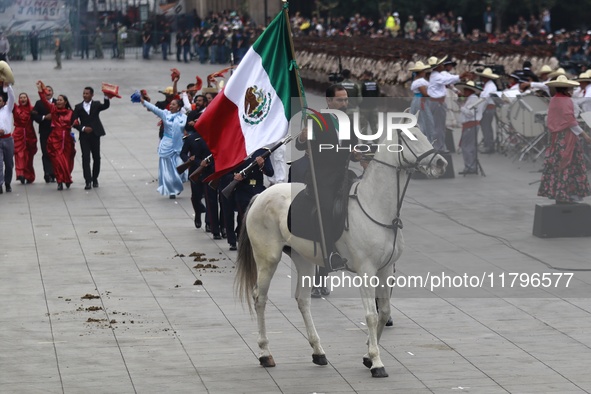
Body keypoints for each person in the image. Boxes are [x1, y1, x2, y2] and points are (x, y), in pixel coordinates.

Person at [295, 84, 356, 271]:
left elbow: (353, 146)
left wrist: (360, 155)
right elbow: (299, 146)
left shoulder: (348, 120)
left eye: (346, 99)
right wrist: (303, 138)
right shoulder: (317, 120)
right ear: (329, 101)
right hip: (322, 174)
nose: (344, 103)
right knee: (327, 207)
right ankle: (329, 253)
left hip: (343, 173)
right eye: (340, 100)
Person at [538, 76, 591, 203]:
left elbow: (550, 119)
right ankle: (569, 193)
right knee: (571, 163)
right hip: (568, 137)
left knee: (557, 164)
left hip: (556, 138)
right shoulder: (568, 101)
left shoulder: (553, 100)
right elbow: (571, 122)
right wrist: (585, 135)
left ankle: (558, 192)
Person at [140, 95, 186, 198]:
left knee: (180, 166)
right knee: (168, 170)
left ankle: (177, 184)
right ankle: (171, 190)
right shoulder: (165, 114)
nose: (171, 106)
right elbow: (154, 109)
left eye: (174, 104)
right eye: (171, 104)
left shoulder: (184, 117)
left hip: (179, 146)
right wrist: (143, 102)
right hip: (167, 145)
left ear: (178, 107)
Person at [36, 81, 76, 190]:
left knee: (67, 160)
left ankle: (67, 178)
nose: (58, 101)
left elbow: (76, 123)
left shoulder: (70, 113)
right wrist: (40, 90)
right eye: (57, 100)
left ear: (65, 102)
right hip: (55, 139)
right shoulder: (53, 110)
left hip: (67, 139)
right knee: (58, 160)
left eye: (60, 100)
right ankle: (60, 180)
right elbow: (44, 101)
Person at [427, 55, 470, 152]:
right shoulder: (436, 76)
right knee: (439, 127)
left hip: (439, 102)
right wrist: (460, 76)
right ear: (437, 66)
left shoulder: (437, 74)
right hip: (437, 103)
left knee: (440, 126)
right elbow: (447, 80)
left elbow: (449, 79)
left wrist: (458, 79)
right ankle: (439, 147)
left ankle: (439, 145)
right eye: (441, 64)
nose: (443, 65)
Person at [72, 87, 111, 190]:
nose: (85, 95)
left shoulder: (96, 104)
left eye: (87, 93)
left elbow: (106, 105)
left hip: (95, 134)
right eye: (84, 93)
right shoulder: (78, 107)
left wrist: (106, 95)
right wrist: (83, 128)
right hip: (84, 136)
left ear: (92, 95)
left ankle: (95, 178)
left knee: (96, 157)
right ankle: (87, 181)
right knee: (85, 158)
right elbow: (74, 122)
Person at [456, 81, 484, 175]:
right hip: (471, 124)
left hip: (470, 124)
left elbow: (470, 113)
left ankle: (470, 166)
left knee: (467, 147)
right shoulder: (472, 98)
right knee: (470, 146)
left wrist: (461, 107)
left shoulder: (473, 99)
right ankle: (471, 165)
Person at [31, 85, 56, 183]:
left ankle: (55, 172)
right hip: (44, 132)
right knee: (45, 153)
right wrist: (44, 117)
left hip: (56, 132)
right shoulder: (39, 103)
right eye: (46, 91)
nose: (48, 93)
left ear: (53, 93)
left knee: (55, 153)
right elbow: (34, 115)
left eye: (50, 91)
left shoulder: (58, 102)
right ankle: (47, 173)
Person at [12, 92, 38, 184]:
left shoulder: (32, 109)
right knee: (19, 154)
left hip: (29, 135)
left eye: (24, 97)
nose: (23, 99)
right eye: (21, 97)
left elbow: (39, 118)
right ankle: (20, 174)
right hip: (18, 134)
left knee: (28, 156)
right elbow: (8, 98)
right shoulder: (15, 108)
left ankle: (29, 175)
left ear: (27, 99)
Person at [475, 68, 500, 154]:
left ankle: (489, 146)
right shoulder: (489, 85)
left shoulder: (490, 86)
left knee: (486, 128)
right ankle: (488, 144)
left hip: (487, 108)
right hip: (487, 108)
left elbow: (484, 99)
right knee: (486, 127)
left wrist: (479, 112)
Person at [409, 61, 433, 141]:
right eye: (424, 71)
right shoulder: (420, 82)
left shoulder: (417, 80)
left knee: (421, 119)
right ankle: (424, 138)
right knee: (424, 119)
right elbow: (424, 93)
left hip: (417, 100)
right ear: (420, 72)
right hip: (421, 100)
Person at [0, 82, 15, 194]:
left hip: (8, 139)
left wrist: (8, 86)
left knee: (9, 163)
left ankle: (8, 182)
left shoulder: (8, 109)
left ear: (4, 102)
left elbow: (12, 97)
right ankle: (0, 184)